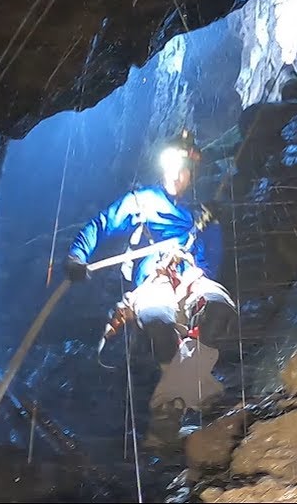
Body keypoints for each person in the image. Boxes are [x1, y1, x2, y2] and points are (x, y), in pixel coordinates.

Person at [64, 129, 236, 448]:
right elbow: (101, 225)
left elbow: (212, 263)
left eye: (184, 170)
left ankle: (170, 405)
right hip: (152, 282)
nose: (177, 176)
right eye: (172, 168)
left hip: (190, 280)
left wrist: (206, 240)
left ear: (191, 175)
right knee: (158, 319)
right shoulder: (142, 201)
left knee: (220, 306)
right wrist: (78, 254)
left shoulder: (203, 215)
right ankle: (188, 397)